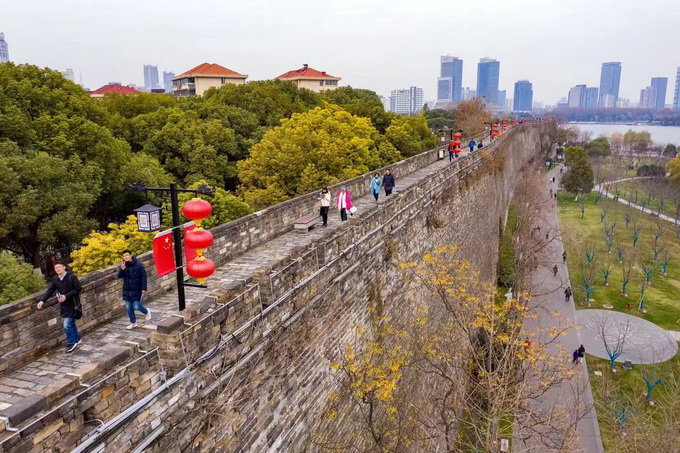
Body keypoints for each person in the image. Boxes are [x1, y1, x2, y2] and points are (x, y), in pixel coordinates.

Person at [37, 262, 83, 353]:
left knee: (66, 324)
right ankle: (77, 339)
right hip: (64, 305)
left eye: (59, 267)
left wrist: (66, 296)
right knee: (71, 323)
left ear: (64, 267)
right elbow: (50, 290)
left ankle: (71, 342)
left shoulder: (72, 277)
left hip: (73, 304)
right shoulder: (56, 279)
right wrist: (42, 301)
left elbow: (78, 289)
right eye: (56, 268)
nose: (57, 269)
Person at [118, 250, 150, 330]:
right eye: (124, 256)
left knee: (136, 306)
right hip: (127, 290)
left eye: (127, 255)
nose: (125, 257)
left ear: (131, 255)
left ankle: (146, 311)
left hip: (136, 289)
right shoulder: (124, 265)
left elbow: (144, 276)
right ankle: (133, 322)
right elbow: (119, 276)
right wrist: (122, 269)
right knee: (128, 307)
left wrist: (143, 288)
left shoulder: (138, 265)